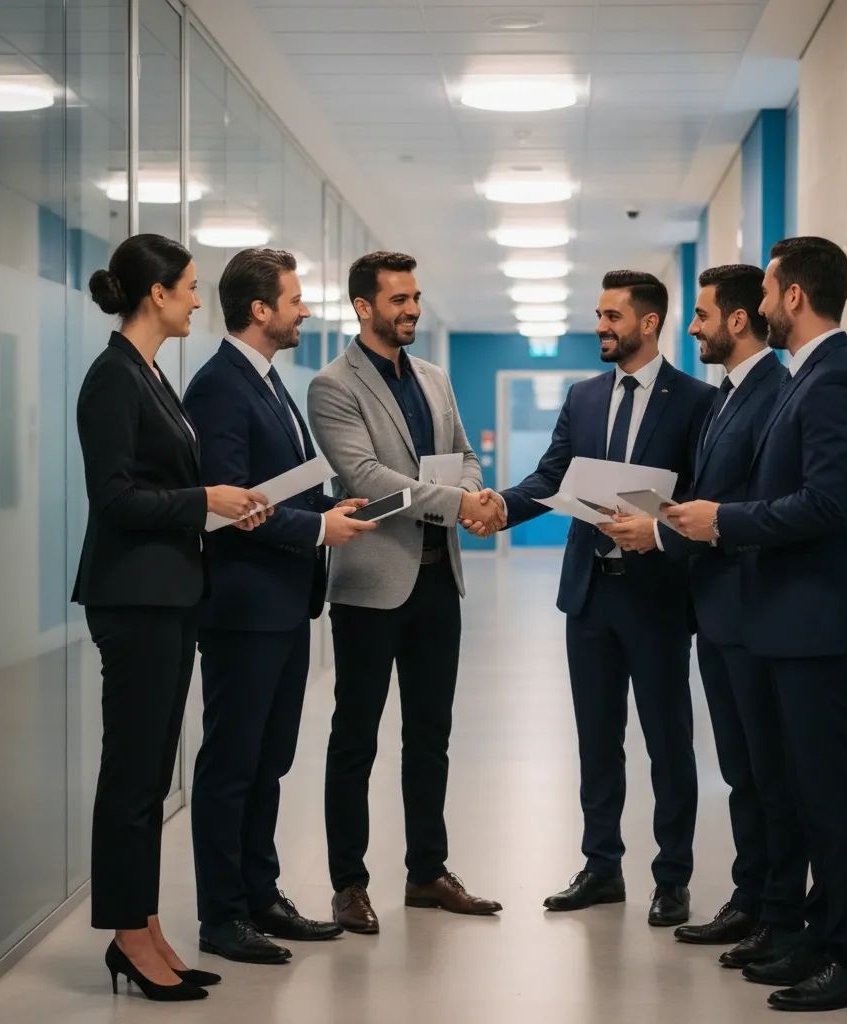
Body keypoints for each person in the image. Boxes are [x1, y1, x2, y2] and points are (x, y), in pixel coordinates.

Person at [668, 236, 847, 1012]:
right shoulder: (813, 377)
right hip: (791, 621)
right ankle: (816, 938)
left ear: (794, 296)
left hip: (820, 623)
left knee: (832, 796)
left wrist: (723, 518)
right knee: (802, 789)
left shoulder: (836, 382)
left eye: (766, 291)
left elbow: (827, 506)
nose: (760, 306)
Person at [469, 271, 714, 926]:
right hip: (590, 597)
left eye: (612, 315)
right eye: (599, 314)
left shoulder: (694, 401)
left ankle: (673, 876)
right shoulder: (583, 397)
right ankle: (601, 866)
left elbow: (705, 500)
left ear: (649, 322)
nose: (602, 325)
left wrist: (660, 531)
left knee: (669, 741)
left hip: (658, 596)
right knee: (596, 740)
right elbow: (551, 477)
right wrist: (499, 508)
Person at [74, 233, 269, 1002]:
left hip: (170, 596)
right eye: (188, 286)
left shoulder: (150, 374)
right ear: (155, 294)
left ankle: (146, 924)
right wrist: (205, 501)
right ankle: (126, 935)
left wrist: (221, 506)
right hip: (134, 600)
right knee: (132, 773)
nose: (196, 298)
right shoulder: (112, 379)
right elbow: (115, 499)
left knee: (154, 772)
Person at [184, 249, 376, 965]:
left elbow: (278, 490)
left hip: (284, 604)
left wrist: (331, 507)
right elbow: (229, 503)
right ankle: (222, 916)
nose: (303, 309)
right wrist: (316, 528)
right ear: (260, 310)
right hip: (242, 609)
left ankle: (260, 895)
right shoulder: (219, 388)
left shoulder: (266, 381)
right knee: (232, 763)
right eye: (293, 298)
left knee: (269, 760)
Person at [308, 251, 502, 935]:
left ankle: (427, 872)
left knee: (430, 736)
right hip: (371, 589)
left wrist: (475, 493)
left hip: (435, 581)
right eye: (398, 300)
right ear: (364, 307)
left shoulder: (434, 378)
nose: (411, 309)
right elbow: (366, 476)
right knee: (354, 738)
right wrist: (461, 504)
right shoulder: (334, 386)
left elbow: (464, 453)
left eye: (416, 297)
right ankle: (348, 884)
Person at [663, 266, 807, 964]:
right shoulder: (727, 397)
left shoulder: (776, 395)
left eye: (701, 314)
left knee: (766, 772)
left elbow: (749, 506)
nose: (693, 328)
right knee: (742, 770)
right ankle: (752, 900)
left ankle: (778, 912)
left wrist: (672, 529)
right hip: (719, 612)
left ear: (739, 320)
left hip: (756, 613)